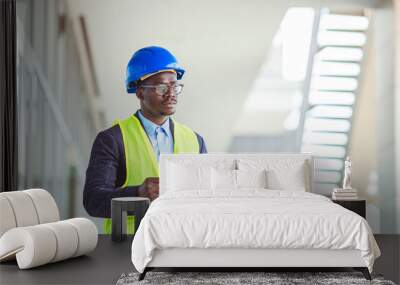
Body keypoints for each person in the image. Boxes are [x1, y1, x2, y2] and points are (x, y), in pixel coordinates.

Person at [83, 46, 207, 234]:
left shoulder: (195, 141)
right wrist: (137, 194)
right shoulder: (112, 140)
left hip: (182, 246)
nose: (171, 93)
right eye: (161, 87)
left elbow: (207, 200)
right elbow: (93, 201)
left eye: (174, 85)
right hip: (127, 252)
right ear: (140, 92)